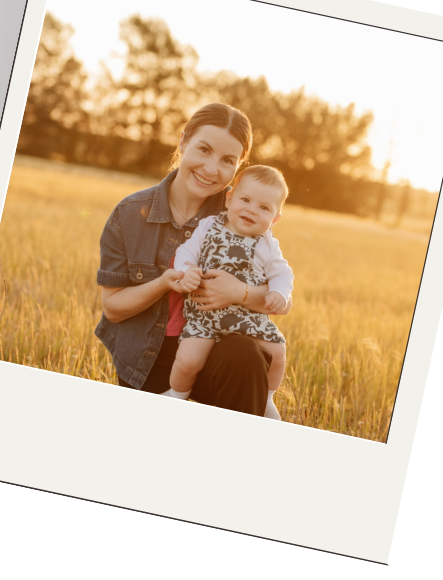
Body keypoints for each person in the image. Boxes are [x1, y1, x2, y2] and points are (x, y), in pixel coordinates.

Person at [96, 103, 292, 415]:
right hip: (149, 357)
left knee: (246, 354)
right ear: (183, 141)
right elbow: (113, 309)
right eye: (203, 149)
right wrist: (162, 283)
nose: (212, 169)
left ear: (238, 167)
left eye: (228, 160)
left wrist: (239, 292)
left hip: (218, 346)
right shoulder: (130, 214)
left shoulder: (243, 212)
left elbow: (278, 292)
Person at [169, 165, 294, 419]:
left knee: (278, 352)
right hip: (205, 316)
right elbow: (186, 251)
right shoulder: (208, 226)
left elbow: (283, 274)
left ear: (275, 219)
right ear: (229, 199)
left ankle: (267, 397)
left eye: (264, 208)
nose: (251, 209)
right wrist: (187, 269)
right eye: (245, 200)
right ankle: (176, 394)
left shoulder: (267, 244)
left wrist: (279, 293)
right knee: (188, 359)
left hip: (248, 318)